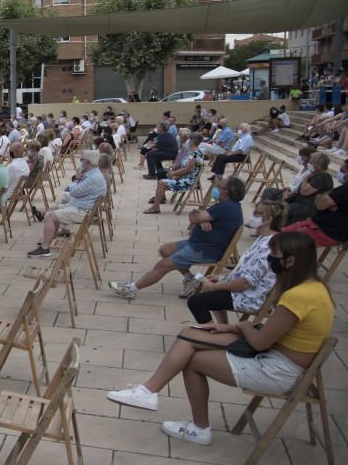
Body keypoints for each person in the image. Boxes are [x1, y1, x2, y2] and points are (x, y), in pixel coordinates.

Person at [106, 231, 334, 446]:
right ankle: (149, 392)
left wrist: (242, 326)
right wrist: (233, 328)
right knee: (191, 335)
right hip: (277, 353)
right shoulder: (313, 288)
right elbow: (270, 334)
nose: (270, 261)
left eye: (273, 256)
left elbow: (259, 342)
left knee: (191, 356)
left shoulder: (298, 297)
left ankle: (186, 419)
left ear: (291, 261)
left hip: (275, 368)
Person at [111, 177, 246, 300]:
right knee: (165, 250)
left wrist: (199, 219)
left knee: (163, 265)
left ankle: (131, 289)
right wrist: (201, 219)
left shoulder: (225, 207)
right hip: (199, 243)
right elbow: (195, 216)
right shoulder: (228, 206)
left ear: (225, 192)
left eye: (220, 186)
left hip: (204, 250)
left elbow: (194, 218)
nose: (216, 188)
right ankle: (190, 279)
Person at [186, 201, 287, 323]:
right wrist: (222, 278)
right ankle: (222, 327)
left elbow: (246, 283)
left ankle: (213, 333)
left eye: (257, 213)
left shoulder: (268, 247)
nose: (252, 215)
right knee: (209, 286)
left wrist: (215, 286)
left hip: (250, 297)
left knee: (196, 301)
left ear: (268, 219)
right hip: (246, 291)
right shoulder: (264, 238)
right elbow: (247, 271)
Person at [27, 150, 107, 258]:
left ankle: (44, 249)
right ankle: (49, 239)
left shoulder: (93, 177)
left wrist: (77, 179)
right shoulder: (92, 173)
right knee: (51, 210)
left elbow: (73, 192)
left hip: (82, 211)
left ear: (88, 162)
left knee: (49, 216)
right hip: (81, 205)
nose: (80, 163)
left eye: (81, 160)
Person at [282, 161, 348, 247]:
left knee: (283, 241)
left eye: (343, 171)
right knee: (280, 234)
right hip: (315, 223)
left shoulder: (343, 189)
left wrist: (325, 200)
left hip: (326, 231)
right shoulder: (343, 188)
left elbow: (319, 204)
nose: (340, 174)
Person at [144, 133, 204, 214]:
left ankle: (155, 207)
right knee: (161, 180)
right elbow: (181, 165)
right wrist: (171, 169)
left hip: (189, 181)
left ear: (192, 141)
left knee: (161, 182)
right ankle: (156, 205)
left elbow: (186, 169)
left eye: (189, 140)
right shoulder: (192, 152)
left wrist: (173, 174)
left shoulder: (196, 154)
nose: (188, 142)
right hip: (184, 178)